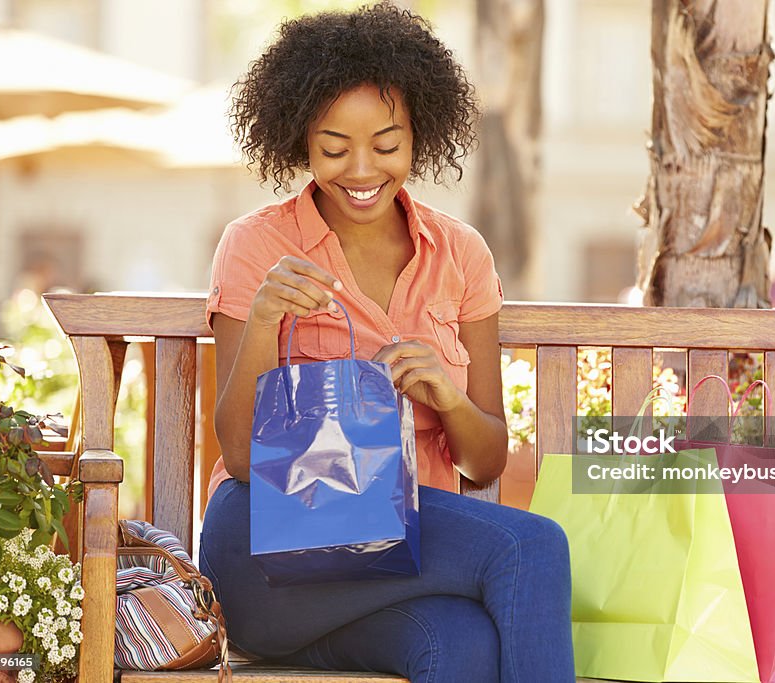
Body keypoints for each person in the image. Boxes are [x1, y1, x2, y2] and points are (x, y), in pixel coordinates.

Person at [198, 4, 575, 682]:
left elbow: (486, 460)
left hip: (389, 561)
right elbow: (239, 455)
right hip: (267, 554)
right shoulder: (255, 245)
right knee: (532, 546)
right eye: (335, 147)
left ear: (418, 135)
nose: (362, 169)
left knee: (462, 646)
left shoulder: (460, 253)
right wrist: (262, 321)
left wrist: (447, 396)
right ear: (300, 140)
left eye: (387, 143)